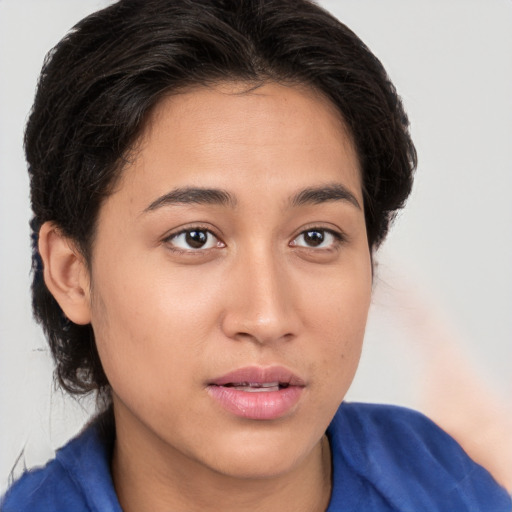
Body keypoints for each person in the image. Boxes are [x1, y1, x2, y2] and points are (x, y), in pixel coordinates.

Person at [1, 0, 510, 510]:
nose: (267, 317)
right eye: (195, 238)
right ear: (72, 274)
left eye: (316, 237)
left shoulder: (451, 486)